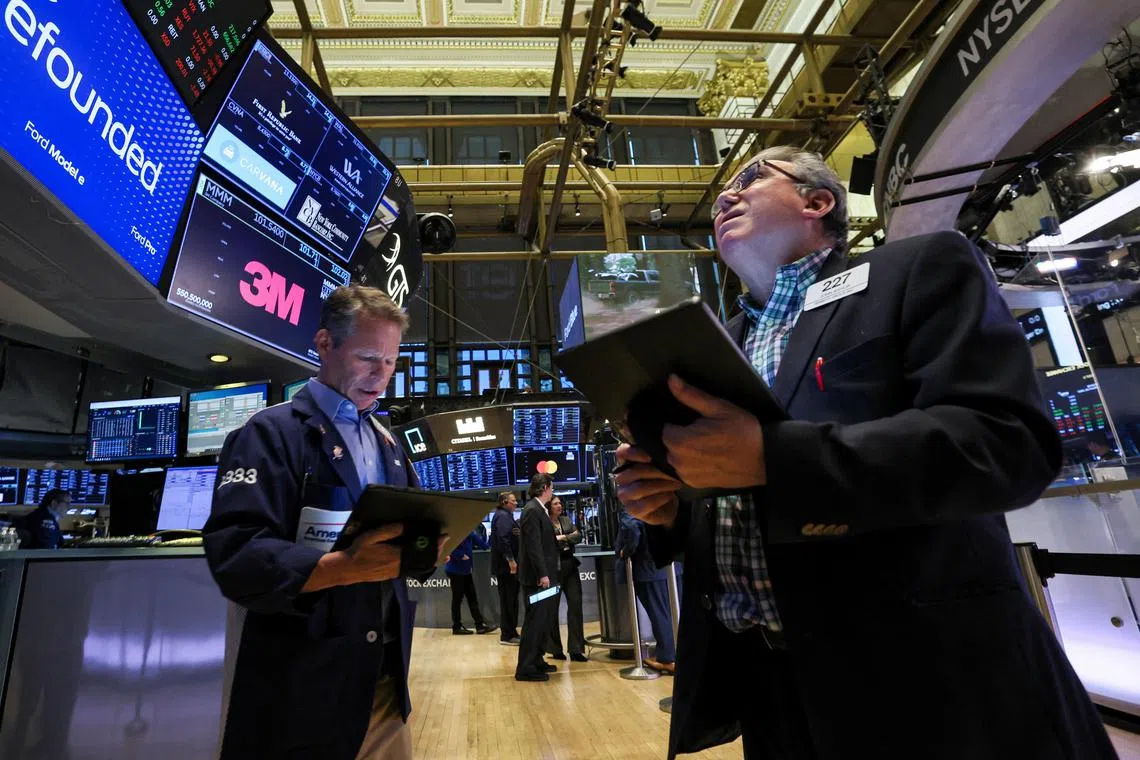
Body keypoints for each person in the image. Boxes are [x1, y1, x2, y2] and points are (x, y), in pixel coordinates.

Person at [614, 147, 1116, 759]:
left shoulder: (919, 267)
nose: (725, 196)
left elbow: (1007, 443)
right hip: (772, 691)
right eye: (723, 192)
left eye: (750, 179)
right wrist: (672, 510)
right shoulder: (722, 344)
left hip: (929, 683)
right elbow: (744, 504)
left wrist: (775, 457)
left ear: (817, 201)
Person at [204, 285, 438, 760]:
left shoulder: (388, 443)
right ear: (325, 344)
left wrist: (427, 549)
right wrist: (346, 567)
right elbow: (238, 555)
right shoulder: (269, 433)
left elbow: (400, 542)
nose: (381, 376)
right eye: (369, 358)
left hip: (384, 680)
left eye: (392, 361)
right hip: (300, 687)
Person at [614, 510, 675, 675]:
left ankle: (668, 659)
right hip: (672, 568)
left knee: (659, 614)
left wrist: (625, 551)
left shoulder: (634, 503)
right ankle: (673, 654)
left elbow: (633, 528)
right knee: (673, 612)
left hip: (649, 569)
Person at [514, 473, 560, 682]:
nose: (553, 491)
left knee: (543, 620)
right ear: (545, 488)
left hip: (545, 577)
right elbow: (534, 547)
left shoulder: (538, 509)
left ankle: (537, 659)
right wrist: (543, 574)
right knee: (534, 622)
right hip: (538, 579)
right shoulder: (533, 510)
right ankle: (526, 667)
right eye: (551, 487)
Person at [544, 495, 588, 662]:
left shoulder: (566, 520)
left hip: (570, 567)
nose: (559, 505)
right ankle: (555, 649)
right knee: (552, 609)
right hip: (553, 570)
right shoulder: (544, 522)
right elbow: (547, 542)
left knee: (576, 605)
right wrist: (566, 539)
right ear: (549, 506)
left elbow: (578, 536)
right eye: (555, 503)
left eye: (560, 503)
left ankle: (576, 649)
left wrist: (562, 538)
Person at [444, 530, 497, 636]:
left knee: (472, 598)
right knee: (457, 599)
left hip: (466, 570)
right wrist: (461, 555)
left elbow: (481, 544)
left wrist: (491, 542)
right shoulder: (456, 531)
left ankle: (480, 626)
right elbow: (449, 547)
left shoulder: (469, 531)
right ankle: (457, 627)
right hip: (455, 571)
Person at [490, 491, 522, 645]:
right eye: (513, 501)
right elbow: (503, 539)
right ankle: (507, 635)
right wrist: (511, 560)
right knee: (508, 600)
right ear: (504, 502)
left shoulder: (506, 516)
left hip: (508, 566)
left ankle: (511, 632)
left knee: (511, 600)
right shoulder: (502, 516)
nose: (516, 503)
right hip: (506, 567)